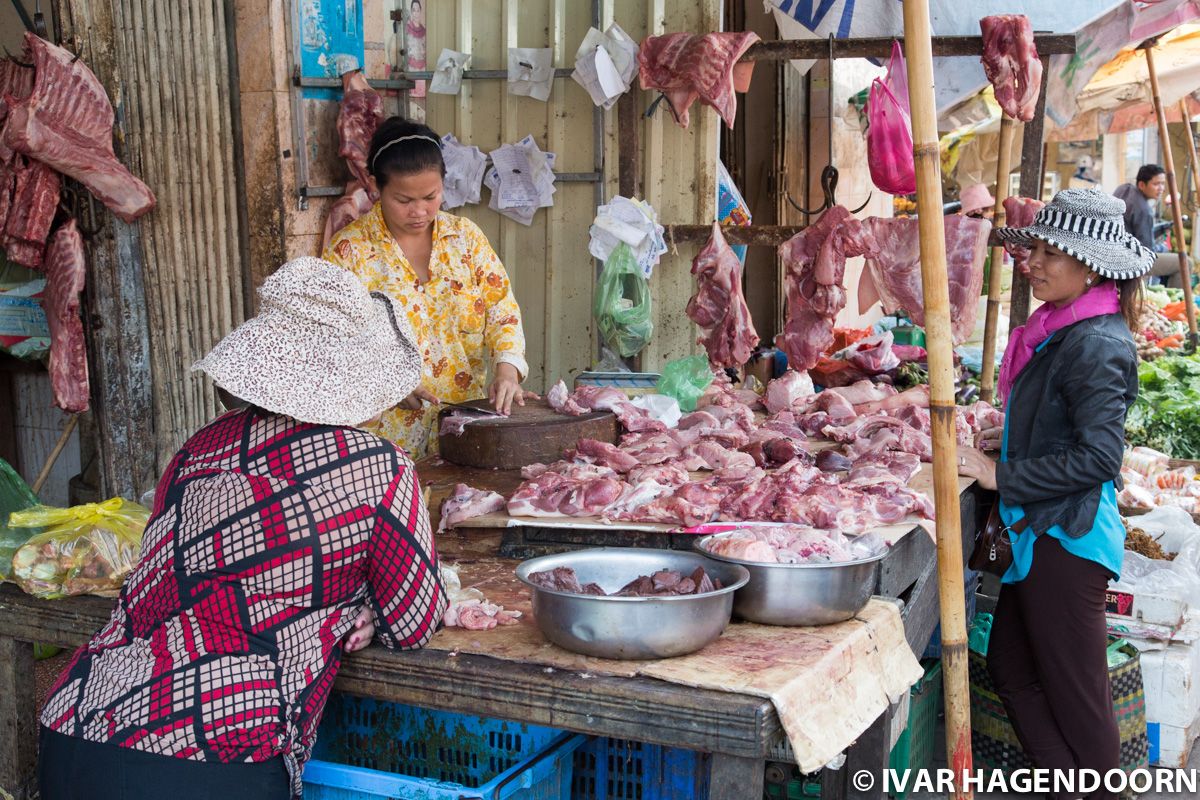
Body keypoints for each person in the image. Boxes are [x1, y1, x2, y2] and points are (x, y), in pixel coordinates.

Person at [37, 258, 448, 800]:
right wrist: (364, 605)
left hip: (79, 725)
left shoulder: (199, 449)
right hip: (216, 754)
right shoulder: (379, 467)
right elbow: (414, 624)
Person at [957, 189, 1153, 799]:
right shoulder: (1063, 330)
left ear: (1089, 265)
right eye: (1033, 249)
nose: (1032, 262)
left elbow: (1099, 457)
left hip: (1066, 543)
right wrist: (1010, 435)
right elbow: (1063, 424)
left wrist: (1001, 475)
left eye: (1048, 252)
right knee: (1013, 671)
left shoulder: (1096, 344)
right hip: (1036, 534)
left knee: (1078, 699)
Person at [324, 117, 532, 459]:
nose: (419, 211)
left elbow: (502, 311)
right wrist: (386, 382)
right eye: (403, 200)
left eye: (430, 196)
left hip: (463, 426)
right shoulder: (350, 252)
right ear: (376, 187)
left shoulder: (465, 239)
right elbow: (334, 341)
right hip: (383, 440)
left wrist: (507, 370)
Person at [1113, 164, 1166, 250]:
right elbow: (1147, 249)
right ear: (1141, 185)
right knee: (1185, 261)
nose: (1161, 188)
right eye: (1156, 184)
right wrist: (1162, 248)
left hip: (1112, 246)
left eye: (1163, 184)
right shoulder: (1144, 210)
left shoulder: (1124, 188)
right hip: (1127, 255)